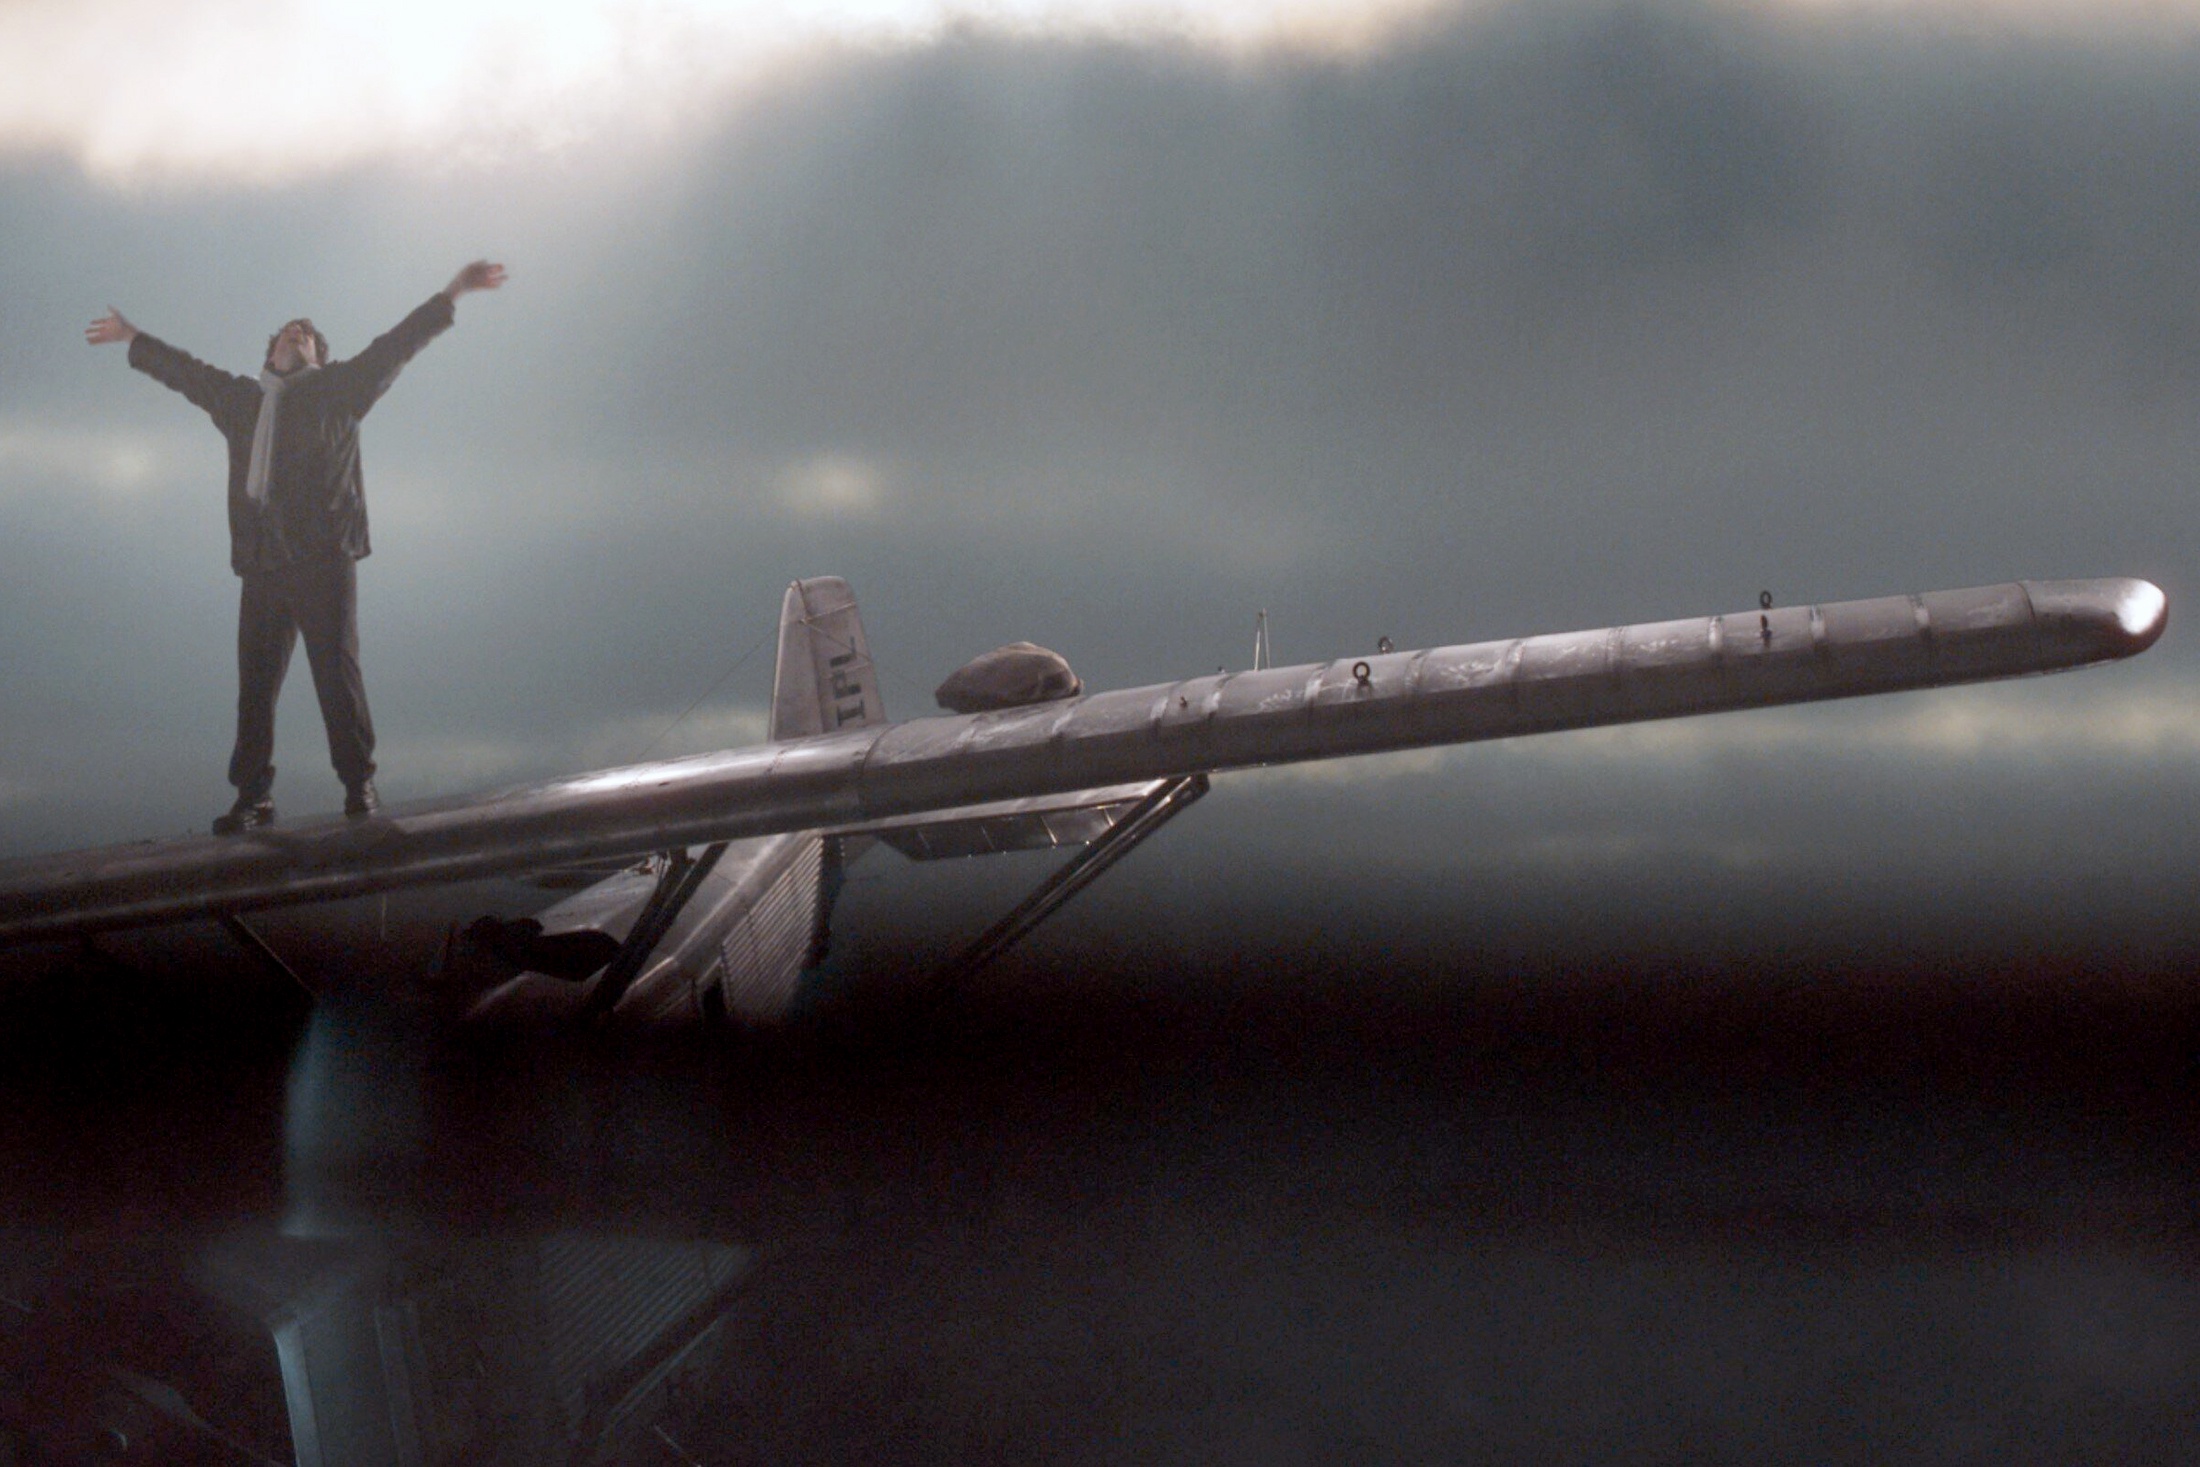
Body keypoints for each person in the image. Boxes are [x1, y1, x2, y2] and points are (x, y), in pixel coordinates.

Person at [86, 261, 505, 834]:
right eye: (288, 332)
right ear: (272, 353)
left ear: (318, 358)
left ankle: (358, 784)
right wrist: (132, 336)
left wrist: (455, 290)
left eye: (306, 334)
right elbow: (187, 373)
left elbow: (398, 344)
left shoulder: (340, 390)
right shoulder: (242, 401)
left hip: (323, 560)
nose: (296, 333)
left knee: (336, 676)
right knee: (255, 688)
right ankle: (253, 796)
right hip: (263, 565)